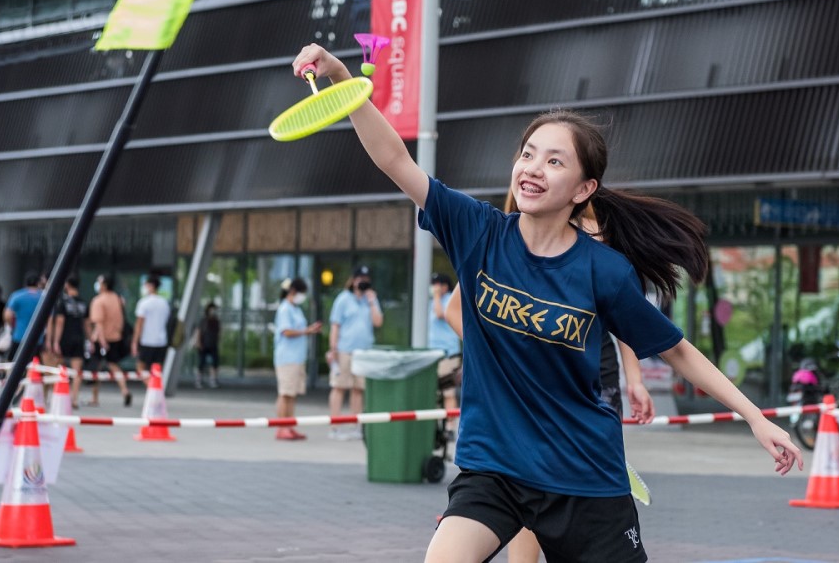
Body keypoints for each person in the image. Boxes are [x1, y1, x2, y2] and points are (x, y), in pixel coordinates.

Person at [290, 45, 801, 562]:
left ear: (584, 188)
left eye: (554, 161)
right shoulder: (478, 231)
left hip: (583, 476)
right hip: (493, 469)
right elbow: (394, 159)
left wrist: (754, 416)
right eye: (528, 154)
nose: (532, 168)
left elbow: (677, 351)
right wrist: (343, 82)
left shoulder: (604, 270)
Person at [445, 200, 656, 563]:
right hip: (522, 416)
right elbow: (453, 311)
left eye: (598, 229)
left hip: (590, 387)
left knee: (561, 483)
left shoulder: (603, 267)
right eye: (528, 157)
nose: (594, 235)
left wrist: (634, 379)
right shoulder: (496, 244)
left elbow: (632, 329)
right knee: (527, 482)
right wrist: (504, 354)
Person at [326, 265, 383, 441]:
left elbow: (378, 322)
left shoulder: (370, 299)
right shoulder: (343, 299)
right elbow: (335, 326)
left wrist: (372, 300)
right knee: (339, 387)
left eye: (366, 280)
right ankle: (335, 426)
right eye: (360, 279)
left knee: (358, 389)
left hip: (363, 352)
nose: (363, 283)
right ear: (354, 280)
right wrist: (333, 348)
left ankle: (355, 425)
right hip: (345, 350)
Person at [273, 277, 322, 441]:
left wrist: (309, 330)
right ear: (293, 291)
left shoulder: (296, 309)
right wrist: (306, 332)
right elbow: (286, 331)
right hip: (286, 358)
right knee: (285, 393)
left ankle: (290, 425)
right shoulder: (285, 309)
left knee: (292, 394)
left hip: (297, 357)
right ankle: (281, 427)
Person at [89, 274, 132, 407]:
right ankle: (125, 390)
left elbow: (99, 324)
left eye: (100, 282)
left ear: (104, 285)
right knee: (114, 365)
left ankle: (95, 397)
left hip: (102, 339)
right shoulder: (118, 299)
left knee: (96, 368)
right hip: (116, 337)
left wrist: (101, 341)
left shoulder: (98, 301)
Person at [49, 275, 91, 409]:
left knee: (58, 368)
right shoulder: (83, 303)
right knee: (77, 371)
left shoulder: (63, 302)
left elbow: (60, 323)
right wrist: (89, 340)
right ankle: (74, 399)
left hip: (65, 339)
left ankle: (58, 396)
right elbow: (87, 324)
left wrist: (55, 341)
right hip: (79, 338)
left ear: (67, 285)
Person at [428, 272, 462, 438]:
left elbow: (441, 314)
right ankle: (435, 427)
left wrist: (436, 297)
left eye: (437, 284)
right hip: (433, 354)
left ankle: (450, 427)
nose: (434, 287)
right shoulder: (432, 302)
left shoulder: (448, 298)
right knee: (434, 393)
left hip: (449, 353)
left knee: (448, 392)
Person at [131, 274, 171, 380]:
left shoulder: (144, 303)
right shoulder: (164, 303)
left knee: (140, 367)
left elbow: (139, 324)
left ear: (151, 286)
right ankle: (156, 390)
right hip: (161, 340)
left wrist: (135, 341)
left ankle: (152, 387)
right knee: (157, 370)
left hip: (147, 341)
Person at [3, 272, 44, 362]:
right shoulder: (44, 297)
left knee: (13, 362)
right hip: (38, 337)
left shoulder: (17, 296)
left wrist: (12, 326)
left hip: (19, 335)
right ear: (38, 283)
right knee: (35, 366)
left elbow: (7, 315)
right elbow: (50, 319)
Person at [193, 303, 221, 389]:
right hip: (203, 344)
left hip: (213, 344)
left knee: (214, 363)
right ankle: (198, 380)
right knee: (201, 363)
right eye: (212, 309)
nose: (213, 311)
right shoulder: (203, 320)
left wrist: (219, 343)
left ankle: (212, 380)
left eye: (214, 309)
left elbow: (219, 333)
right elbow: (198, 332)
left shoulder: (216, 321)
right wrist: (198, 342)